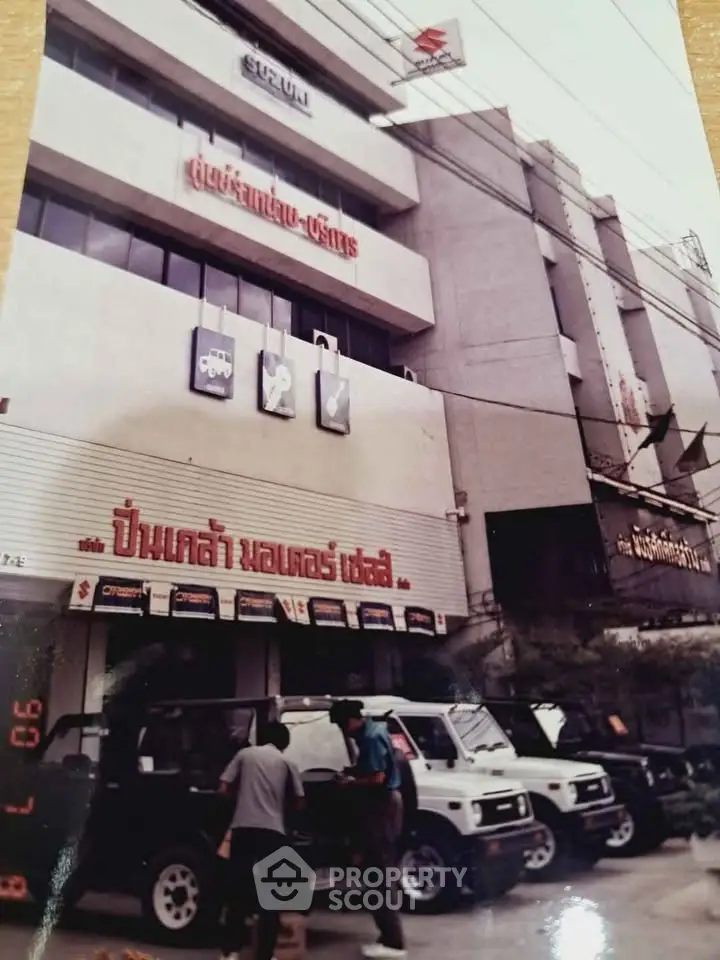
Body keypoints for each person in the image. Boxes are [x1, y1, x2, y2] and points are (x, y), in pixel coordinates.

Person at [218, 720, 304, 960]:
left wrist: (241, 801)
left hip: (242, 829)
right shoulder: (288, 763)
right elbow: (299, 801)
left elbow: (223, 788)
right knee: (270, 896)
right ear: (284, 743)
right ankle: (265, 955)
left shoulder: (244, 755)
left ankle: (230, 953)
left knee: (236, 890)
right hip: (272, 833)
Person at [329, 699, 407, 960]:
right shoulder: (374, 730)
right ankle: (388, 936)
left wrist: (350, 783)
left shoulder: (370, 739)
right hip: (385, 805)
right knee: (378, 871)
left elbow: (376, 778)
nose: (343, 731)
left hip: (381, 807)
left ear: (351, 719)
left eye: (342, 725)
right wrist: (353, 772)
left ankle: (393, 942)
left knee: (378, 873)